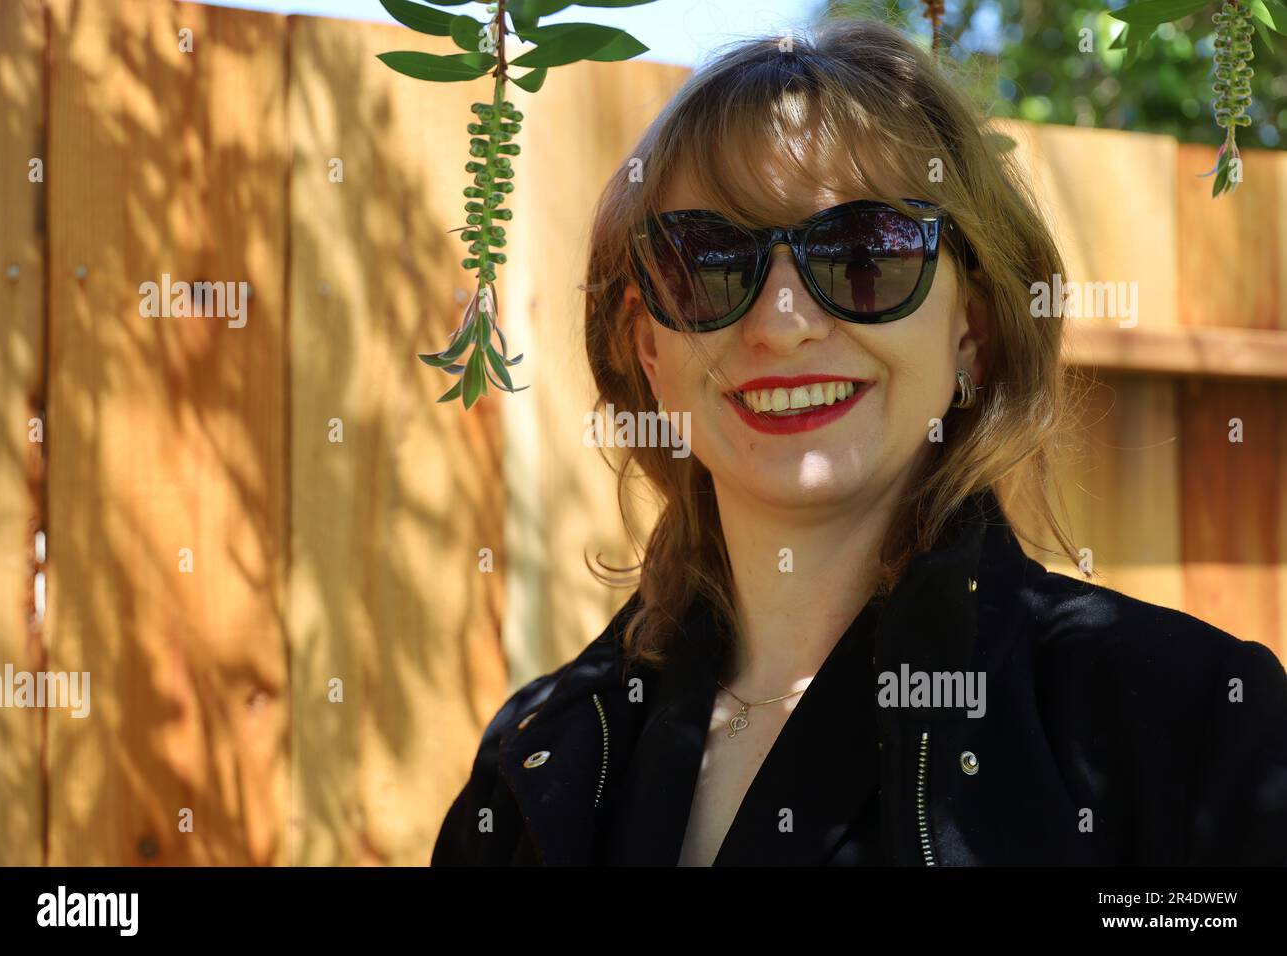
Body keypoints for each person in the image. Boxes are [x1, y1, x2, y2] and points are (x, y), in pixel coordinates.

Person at [431, 18, 1287, 866]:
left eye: (861, 252)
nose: (783, 323)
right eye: (710, 262)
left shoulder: (1192, 726)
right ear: (648, 349)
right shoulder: (541, 757)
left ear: (973, 325)